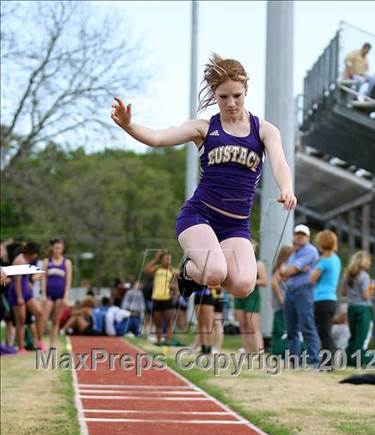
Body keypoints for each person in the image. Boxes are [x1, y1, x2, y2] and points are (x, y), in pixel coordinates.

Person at [111, 53, 296, 300]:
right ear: (214, 95)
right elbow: (158, 138)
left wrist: (286, 187)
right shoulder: (204, 128)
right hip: (200, 215)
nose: (231, 103)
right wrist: (128, 125)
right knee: (215, 272)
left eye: (237, 96)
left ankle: (205, 268)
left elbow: (280, 162)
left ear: (246, 91)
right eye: (223, 97)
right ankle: (187, 272)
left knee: (243, 286)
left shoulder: (264, 130)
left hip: (235, 224)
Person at [280, 225, 320, 367]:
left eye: (303, 234)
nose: (300, 236)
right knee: (291, 328)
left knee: (307, 326)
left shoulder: (310, 250)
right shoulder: (292, 252)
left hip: (304, 291)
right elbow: (282, 270)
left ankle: (314, 360)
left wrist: (292, 270)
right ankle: (293, 360)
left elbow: (289, 271)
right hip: (290, 291)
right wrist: (293, 270)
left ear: (308, 237)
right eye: (297, 234)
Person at [7, 242, 46, 353]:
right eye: (35, 254)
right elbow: (17, 280)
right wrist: (19, 297)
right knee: (21, 320)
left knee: (39, 313)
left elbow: (25, 276)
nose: (36, 257)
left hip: (26, 291)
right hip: (17, 292)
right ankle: (21, 348)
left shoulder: (27, 260)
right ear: (30, 253)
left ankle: (39, 342)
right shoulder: (20, 261)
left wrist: (28, 284)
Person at [309, 230, 342, 357]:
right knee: (326, 332)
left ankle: (328, 361)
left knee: (323, 333)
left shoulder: (324, 260)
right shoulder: (336, 259)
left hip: (321, 299)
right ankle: (331, 358)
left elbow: (311, 279)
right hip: (331, 299)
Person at [340, 251, 375, 367]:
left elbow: (342, 292)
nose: (370, 263)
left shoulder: (347, 275)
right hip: (363, 308)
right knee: (362, 336)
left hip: (351, 308)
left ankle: (348, 359)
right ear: (363, 262)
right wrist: (371, 290)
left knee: (353, 336)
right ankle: (359, 361)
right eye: (368, 261)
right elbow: (365, 295)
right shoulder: (364, 276)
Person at [234, 240, 267, 353]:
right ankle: (247, 350)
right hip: (239, 295)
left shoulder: (258, 264)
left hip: (252, 296)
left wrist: (249, 281)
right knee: (242, 325)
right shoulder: (238, 262)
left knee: (253, 326)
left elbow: (264, 281)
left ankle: (260, 351)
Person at [41, 238, 72, 348]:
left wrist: (66, 297)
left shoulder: (67, 262)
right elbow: (43, 278)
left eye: (60, 248)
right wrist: (43, 294)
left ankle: (52, 343)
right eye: (56, 248)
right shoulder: (46, 261)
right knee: (43, 318)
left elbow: (68, 281)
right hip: (48, 294)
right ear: (52, 248)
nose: (58, 250)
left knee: (56, 320)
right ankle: (39, 341)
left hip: (60, 295)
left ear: (62, 249)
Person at [144, 250, 176, 346]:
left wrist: (173, 288)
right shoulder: (157, 268)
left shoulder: (172, 270)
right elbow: (146, 270)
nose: (168, 260)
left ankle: (169, 341)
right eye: (166, 259)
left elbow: (179, 278)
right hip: (156, 298)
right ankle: (158, 341)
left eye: (169, 259)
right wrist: (156, 259)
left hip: (167, 298)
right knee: (158, 323)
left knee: (170, 322)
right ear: (161, 260)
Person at [270, 245, 294, 356]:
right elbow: (274, 282)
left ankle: (276, 351)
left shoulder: (280, 267)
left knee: (278, 328)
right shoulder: (283, 267)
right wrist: (282, 299)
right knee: (282, 329)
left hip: (279, 304)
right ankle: (281, 352)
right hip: (283, 304)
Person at [193, 287, 215, 354]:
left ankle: (209, 347)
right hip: (197, 295)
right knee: (200, 324)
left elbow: (217, 286)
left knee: (209, 324)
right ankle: (203, 347)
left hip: (207, 295)